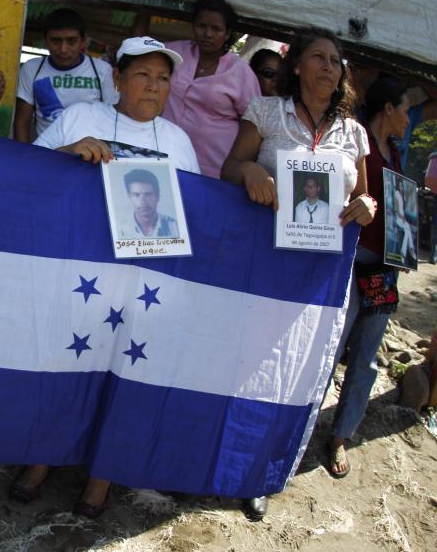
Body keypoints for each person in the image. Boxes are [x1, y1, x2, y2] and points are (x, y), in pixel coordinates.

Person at [20, 36, 198, 519]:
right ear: (117, 79)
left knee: (125, 375)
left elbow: (192, 213)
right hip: (82, 273)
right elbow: (29, 173)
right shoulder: (83, 118)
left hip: (145, 283)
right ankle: (43, 460)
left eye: (162, 78)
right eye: (142, 75)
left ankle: (100, 477)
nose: (153, 86)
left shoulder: (178, 142)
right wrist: (68, 151)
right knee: (68, 364)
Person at [221, 27, 375, 519]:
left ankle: (258, 472)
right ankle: (214, 460)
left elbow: (362, 199)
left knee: (290, 371)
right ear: (298, 66)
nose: (330, 67)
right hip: (259, 262)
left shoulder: (355, 132)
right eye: (319, 57)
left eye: (336, 60)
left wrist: (368, 206)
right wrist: (250, 173)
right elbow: (231, 166)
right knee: (239, 362)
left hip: (318, 274)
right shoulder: (266, 111)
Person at [322, 76, 409, 478]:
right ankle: (300, 425)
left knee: (366, 358)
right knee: (329, 348)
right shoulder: (357, 144)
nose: (409, 117)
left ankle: (341, 435)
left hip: (384, 270)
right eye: (405, 108)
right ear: (388, 109)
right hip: (350, 260)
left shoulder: (396, 153)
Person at [138, 0, 261, 178]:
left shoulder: (241, 72)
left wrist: (241, 163)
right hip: (165, 154)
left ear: (227, 34)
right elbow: (138, 53)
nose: (207, 34)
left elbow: (254, 123)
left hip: (213, 166)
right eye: (201, 26)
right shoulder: (174, 52)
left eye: (216, 29)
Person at [14, 8, 118, 143]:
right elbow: (22, 122)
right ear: (45, 40)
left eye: (71, 41)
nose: (63, 49)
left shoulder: (102, 70)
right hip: (47, 151)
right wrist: (24, 157)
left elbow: (112, 117)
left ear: (83, 41)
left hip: (90, 154)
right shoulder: (31, 69)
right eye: (56, 41)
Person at [118, 169, 178, 238]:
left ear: (157, 197)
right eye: (136, 195)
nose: (142, 201)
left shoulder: (176, 227)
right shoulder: (120, 230)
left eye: (148, 194)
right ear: (129, 197)